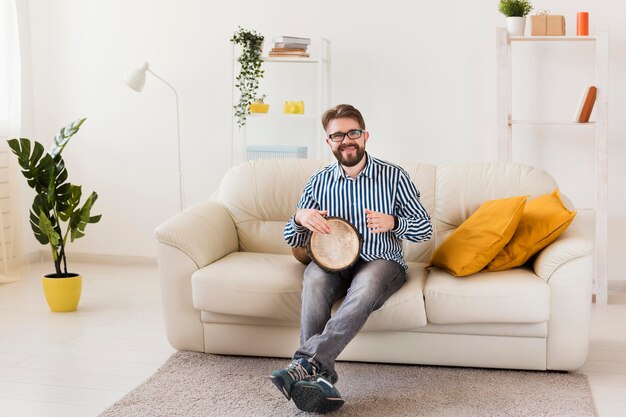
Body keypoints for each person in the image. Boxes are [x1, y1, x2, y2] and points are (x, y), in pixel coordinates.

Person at [269, 104, 433, 413]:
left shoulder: (395, 176)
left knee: (367, 285)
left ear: (365, 136)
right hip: (332, 264)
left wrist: (394, 223)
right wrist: (299, 217)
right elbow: (293, 240)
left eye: (353, 132)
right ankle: (319, 377)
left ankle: (304, 363)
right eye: (338, 135)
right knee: (314, 280)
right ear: (328, 142)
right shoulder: (318, 183)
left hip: (381, 262)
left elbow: (425, 229)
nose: (347, 140)